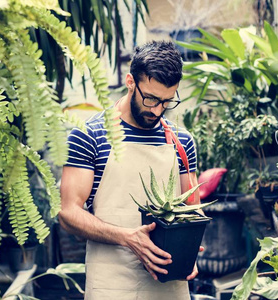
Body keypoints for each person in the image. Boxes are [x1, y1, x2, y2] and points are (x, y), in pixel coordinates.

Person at [59, 40, 200, 299]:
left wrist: (189, 250)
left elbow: (192, 211)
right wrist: (127, 237)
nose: (157, 110)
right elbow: (68, 213)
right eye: (150, 98)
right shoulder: (90, 136)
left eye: (166, 101)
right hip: (111, 285)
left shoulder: (182, 142)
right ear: (130, 82)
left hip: (168, 286)